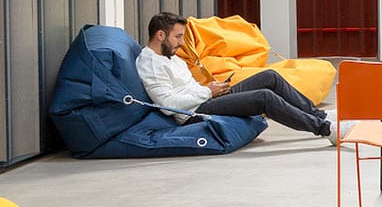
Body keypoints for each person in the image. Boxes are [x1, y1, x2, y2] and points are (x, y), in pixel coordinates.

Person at [136, 12, 330, 139]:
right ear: (160, 35)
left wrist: (214, 88)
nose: (181, 43)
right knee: (264, 97)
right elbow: (168, 106)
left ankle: (318, 114)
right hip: (194, 111)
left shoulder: (169, 55)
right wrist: (207, 93)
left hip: (206, 96)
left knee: (270, 76)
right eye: (178, 37)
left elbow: (187, 86)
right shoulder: (151, 64)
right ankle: (324, 129)